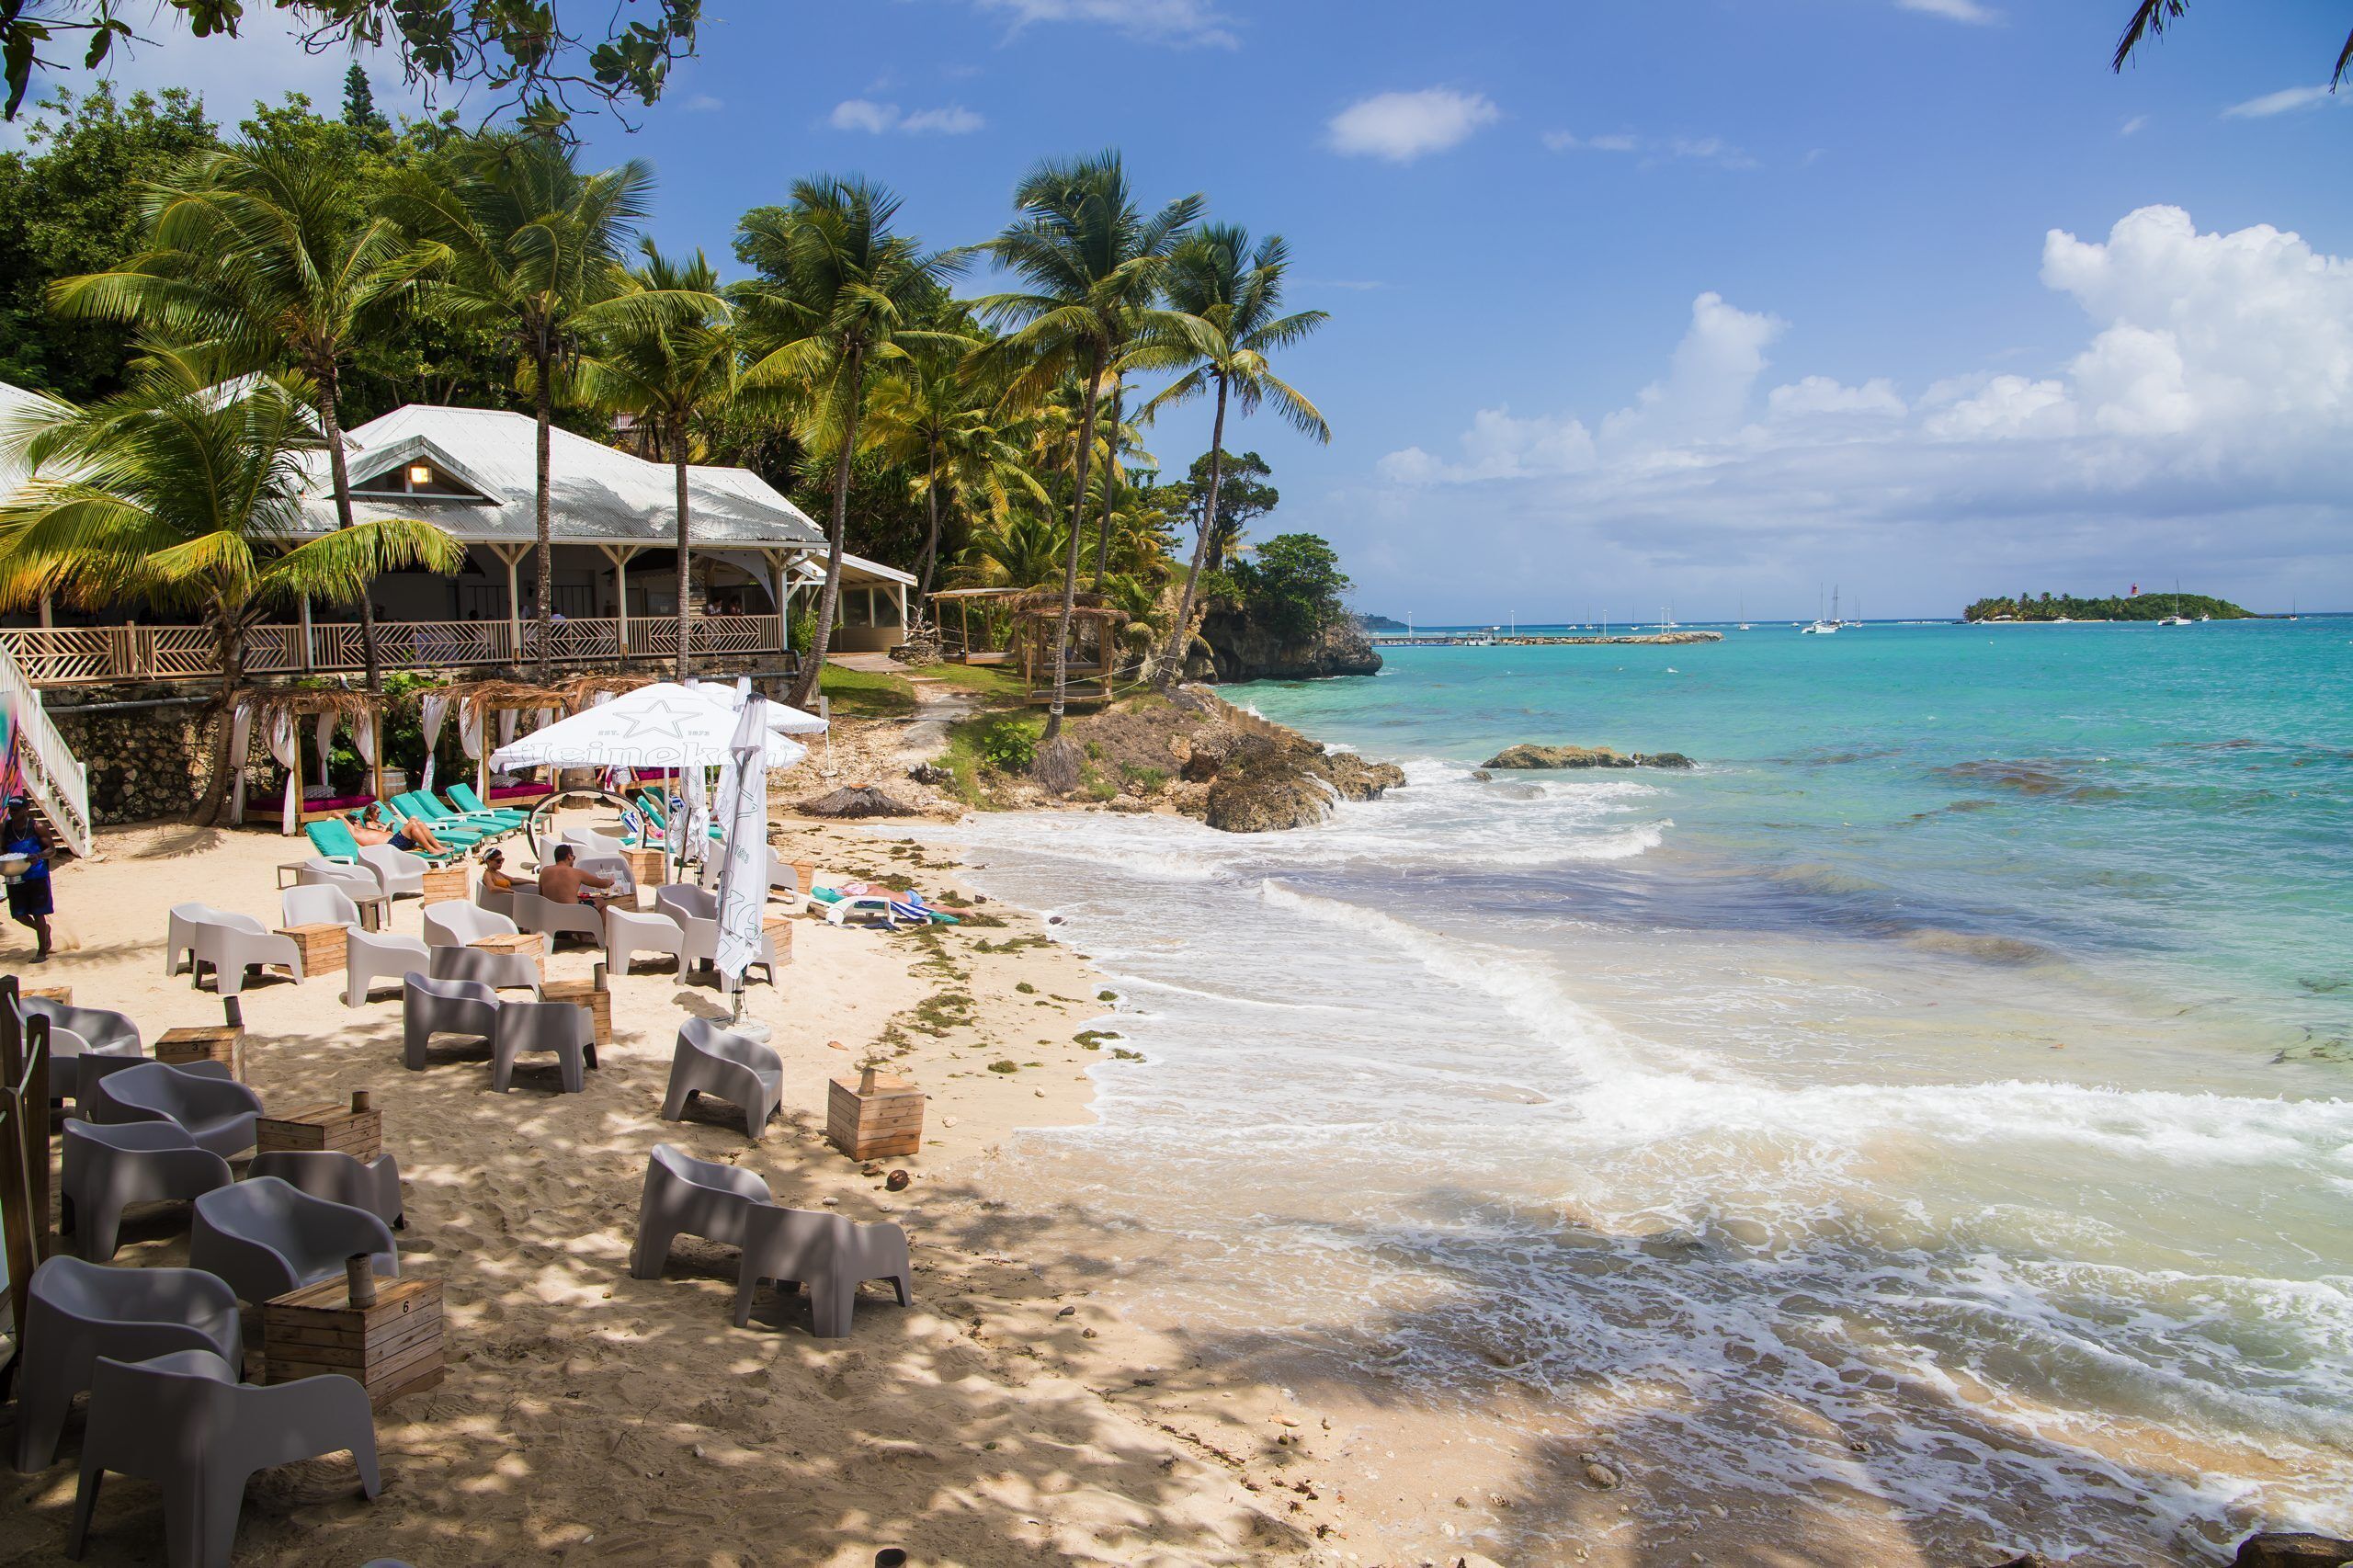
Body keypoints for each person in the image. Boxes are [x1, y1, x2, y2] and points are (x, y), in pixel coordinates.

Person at [4, 797, 53, 961]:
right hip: (15, 875)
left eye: (16, 809)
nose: (12, 812)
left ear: (27, 809)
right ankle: (43, 931)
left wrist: (38, 855)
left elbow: (51, 850)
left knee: (39, 913)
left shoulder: (38, 827)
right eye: (10, 809)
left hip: (37, 875)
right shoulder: (5, 828)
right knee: (19, 915)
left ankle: (41, 952)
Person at [350, 802, 446, 857]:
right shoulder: (368, 825)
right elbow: (380, 836)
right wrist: (385, 827)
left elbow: (388, 833)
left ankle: (437, 845)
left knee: (417, 821)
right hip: (391, 845)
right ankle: (431, 849)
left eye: (380, 812)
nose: (379, 815)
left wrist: (390, 826)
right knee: (412, 823)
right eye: (377, 813)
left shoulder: (378, 822)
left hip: (395, 840)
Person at [537, 844, 612, 906]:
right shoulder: (576, 872)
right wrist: (611, 880)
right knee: (601, 902)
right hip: (572, 913)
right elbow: (603, 884)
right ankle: (599, 925)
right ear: (569, 856)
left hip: (550, 914)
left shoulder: (544, 871)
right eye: (574, 857)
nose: (573, 860)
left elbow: (540, 895)